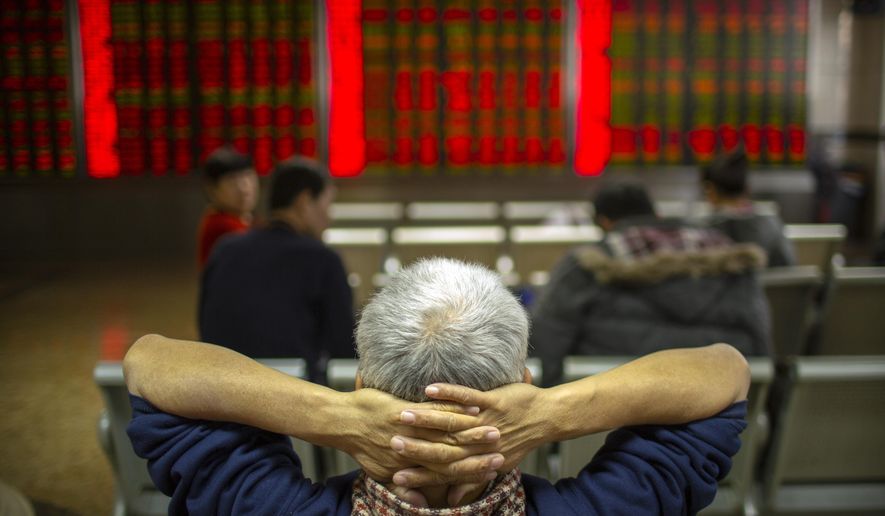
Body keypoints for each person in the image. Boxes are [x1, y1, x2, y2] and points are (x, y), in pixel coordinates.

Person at [127, 258, 750, 515]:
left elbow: (150, 362)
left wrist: (336, 415)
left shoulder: (264, 505)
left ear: (365, 382)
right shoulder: (612, 507)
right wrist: (554, 414)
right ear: (524, 384)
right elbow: (724, 369)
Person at [531, 181, 770, 386]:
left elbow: (547, 343)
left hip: (607, 429)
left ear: (604, 222)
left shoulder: (587, 264)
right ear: (655, 213)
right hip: (722, 426)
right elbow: (760, 341)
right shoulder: (730, 258)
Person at [199, 157, 353, 382]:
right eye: (327, 205)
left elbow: (206, 328)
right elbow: (344, 350)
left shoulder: (224, 250)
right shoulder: (323, 260)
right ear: (304, 201)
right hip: (292, 399)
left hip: (223, 395)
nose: (329, 217)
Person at [700, 150, 796, 267]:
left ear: (711, 191)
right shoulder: (771, 225)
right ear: (747, 190)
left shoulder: (704, 229)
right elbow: (789, 266)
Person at [197, 146, 259, 268]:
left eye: (248, 177)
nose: (243, 189)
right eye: (232, 182)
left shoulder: (244, 219)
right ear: (212, 189)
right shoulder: (222, 226)